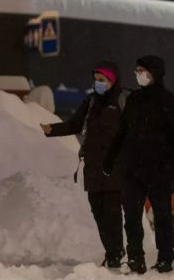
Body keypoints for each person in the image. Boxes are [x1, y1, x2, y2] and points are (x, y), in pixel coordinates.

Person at [103, 55, 174, 274]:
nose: (138, 75)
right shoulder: (134, 100)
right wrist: (110, 158)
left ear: (154, 73)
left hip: (160, 168)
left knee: (162, 216)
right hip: (133, 168)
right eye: (136, 71)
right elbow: (122, 132)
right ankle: (135, 257)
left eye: (142, 71)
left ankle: (165, 257)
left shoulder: (169, 102)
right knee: (131, 215)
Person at [41, 62, 127, 269]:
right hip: (93, 165)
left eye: (102, 80)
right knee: (98, 211)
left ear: (112, 81)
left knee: (112, 212)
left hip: (115, 166)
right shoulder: (91, 102)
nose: (98, 83)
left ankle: (116, 252)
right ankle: (111, 250)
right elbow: (75, 124)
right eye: (96, 79)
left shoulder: (123, 101)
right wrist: (52, 129)